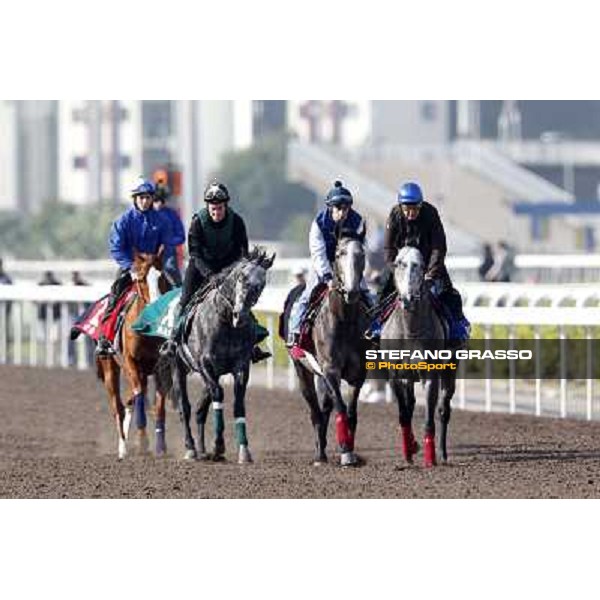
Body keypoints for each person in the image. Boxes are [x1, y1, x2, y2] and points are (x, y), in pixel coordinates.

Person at [161, 181, 271, 363]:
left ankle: (253, 343)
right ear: (208, 207)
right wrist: (210, 275)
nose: (216, 212)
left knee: (242, 300)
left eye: (219, 208)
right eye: (213, 209)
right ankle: (173, 340)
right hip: (200, 267)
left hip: (229, 268)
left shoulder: (236, 222)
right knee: (185, 299)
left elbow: (242, 252)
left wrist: (230, 272)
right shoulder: (197, 221)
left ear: (225, 206)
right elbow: (194, 253)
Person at [371, 181, 470, 342]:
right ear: (400, 207)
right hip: (402, 265)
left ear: (421, 205)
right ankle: (377, 324)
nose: (410, 213)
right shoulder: (394, 215)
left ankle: (457, 326)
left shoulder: (431, 214)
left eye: (414, 209)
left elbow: (439, 247)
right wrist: (395, 270)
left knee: (450, 293)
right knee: (382, 290)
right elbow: (388, 249)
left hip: (428, 262)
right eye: (406, 209)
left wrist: (431, 274)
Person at [287, 180, 372, 349]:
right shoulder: (318, 224)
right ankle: (295, 331)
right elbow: (318, 254)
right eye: (339, 208)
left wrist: (361, 270)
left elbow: (362, 249)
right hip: (324, 265)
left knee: (369, 295)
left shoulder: (358, 221)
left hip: (349, 265)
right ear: (330, 208)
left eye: (346, 208)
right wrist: (327, 277)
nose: (343, 212)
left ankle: (376, 328)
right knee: (305, 297)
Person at [95, 178, 173, 356]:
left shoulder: (161, 220)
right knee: (115, 294)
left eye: (147, 197)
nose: (144, 201)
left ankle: (178, 339)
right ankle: (105, 338)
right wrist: (130, 266)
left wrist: (159, 261)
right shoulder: (123, 221)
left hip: (154, 268)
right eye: (141, 198)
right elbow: (116, 247)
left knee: (176, 291)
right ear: (135, 199)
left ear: (152, 198)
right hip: (131, 267)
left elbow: (167, 244)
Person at [153, 193, 185, 286]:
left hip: (168, 255)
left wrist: (167, 243)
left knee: (171, 269)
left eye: (160, 201)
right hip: (149, 256)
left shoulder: (172, 215)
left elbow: (181, 236)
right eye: (155, 201)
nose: (158, 204)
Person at [278, 266, 307, 340]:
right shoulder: (292, 292)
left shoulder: (307, 289)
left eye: (300, 276)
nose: (299, 278)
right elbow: (286, 309)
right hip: (291, 327)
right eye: (297, 276)